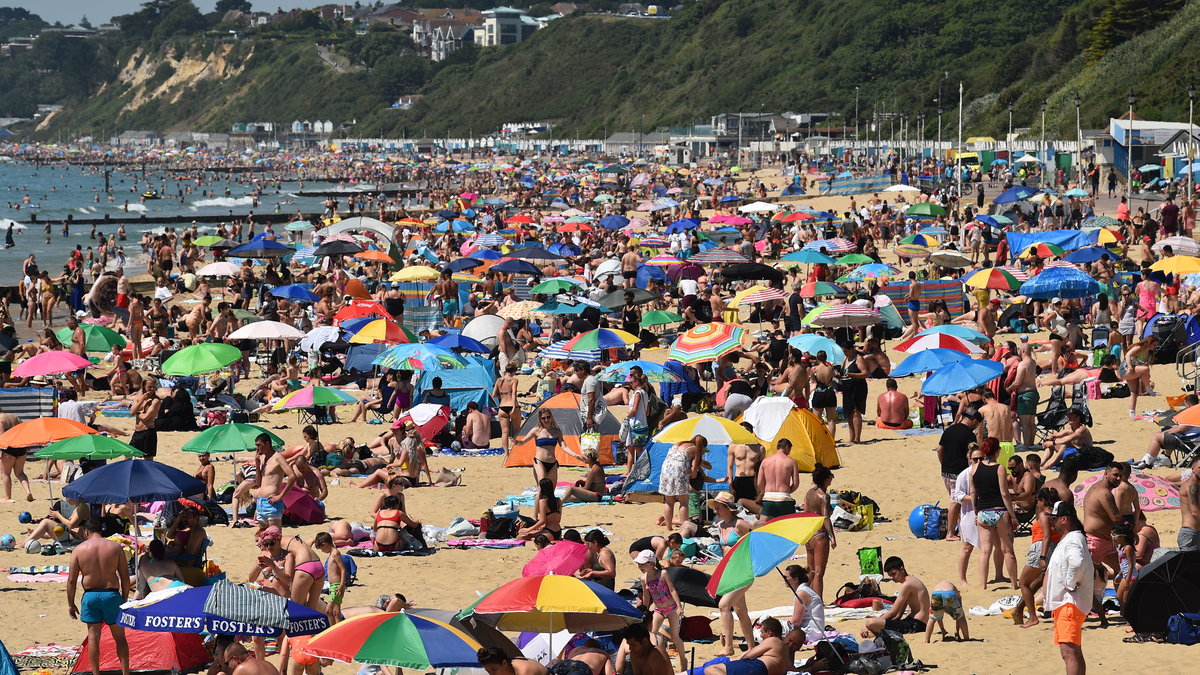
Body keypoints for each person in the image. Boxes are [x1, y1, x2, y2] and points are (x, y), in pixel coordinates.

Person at [68, 518, 131, 675]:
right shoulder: (115, 547)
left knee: (93, 638)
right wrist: (124, 599)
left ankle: (96, 673)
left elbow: (71, 580)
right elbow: (125, 577)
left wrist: (70, 603)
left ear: (86, 532)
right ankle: (125, 673)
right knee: (120, 638)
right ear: (101, 531)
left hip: (90, 595)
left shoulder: (79, 549)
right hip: (111, 594)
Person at [1044, 501, 1092, 675]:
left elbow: (1077, 562)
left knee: (1069, 651)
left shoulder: (1073, 539)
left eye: (1054, 519)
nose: (1051, 522)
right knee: (1073, 650)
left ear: (1064, 519)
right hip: (1066, 604)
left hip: (1069, 604)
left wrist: (1070, 583)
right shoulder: (1072, 538)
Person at [634, 550, 686, 671]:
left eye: (642, 564)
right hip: (659, 609)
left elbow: (672, 590)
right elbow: (646, 596)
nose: (640, 567)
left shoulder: (663, 573)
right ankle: (658, 656)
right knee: (652, 632)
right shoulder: (644, 579)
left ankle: (683, 659)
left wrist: (679, 606)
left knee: (675, 636)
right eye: (639, 564)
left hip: (672, 608)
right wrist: (645, 610)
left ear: (651, 564)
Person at [937, 408, 982, 541]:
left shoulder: (950, 429)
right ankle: (950, 533)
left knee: (956, 500)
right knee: (956, 501)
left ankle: (962, 531)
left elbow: (940, 450)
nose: (976, 426)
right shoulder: (969, 434)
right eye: (977, 423)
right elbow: (973, 455)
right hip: (959, 473)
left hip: (946, 471)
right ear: (974, 420)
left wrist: (944, 464)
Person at [702, 618, 804, 675]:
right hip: (755, 667)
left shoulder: (774, 641)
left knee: (710, 669)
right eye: (790, 640)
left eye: (795, 644)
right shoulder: (785, 653)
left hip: (755, 666)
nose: (790, 644)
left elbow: (747, 656)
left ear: (769, 633)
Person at [861, 556, 930, 638]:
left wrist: (867, 625)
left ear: (902, 569)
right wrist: (890, 622)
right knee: (878, 623)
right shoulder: (911, 581)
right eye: (890, 575)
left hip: (917, 624)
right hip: (915, 622)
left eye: (893, 574)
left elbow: (893, 612)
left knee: (870, 622)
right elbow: (898, 614)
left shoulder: (907, 585)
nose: (892, 578)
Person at [802, 464, 836, 597]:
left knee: (810, 571)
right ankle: (818, 602)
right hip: (820, 535)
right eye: (831, 477)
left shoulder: (809, 493)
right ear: (826, 479)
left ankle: (803, 596)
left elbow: (805, 512)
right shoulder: (824, 496)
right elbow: (825, 518)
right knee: (818, 573)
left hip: (809, 533)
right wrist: (832, 536)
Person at [1082, 463, 1123, 576]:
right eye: (1115, 475)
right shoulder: (1104, 492)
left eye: (1120, 476)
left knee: (1121, 571)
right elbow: (1115, 517)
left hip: (1106, 541)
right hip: (1095, 541)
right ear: (1105, 474)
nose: (1118, 479)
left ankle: (1121, 595)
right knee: (1089, 577)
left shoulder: (1100, 488)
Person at [254, 433, 298, 528]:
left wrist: (280, 496)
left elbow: (292, 476)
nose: (257, 449)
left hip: (272, 503)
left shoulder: (278, 457)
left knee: (275, 537)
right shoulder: (262, 458)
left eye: (259, 445)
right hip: (261, 502)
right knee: (263, 538)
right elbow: (258, 483)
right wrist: (257, 465)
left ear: (267, 444)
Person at [515, 407, 565, 485]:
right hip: (540, 462)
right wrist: (515, 442)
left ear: (551, 417)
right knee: (542, 488)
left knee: (551, 491)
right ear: (540, 419)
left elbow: (564, 446)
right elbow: (522, 442)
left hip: (553, 463)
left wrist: (576, 455)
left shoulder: (556, 431)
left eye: (548, 417)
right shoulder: (536, 431)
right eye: (543, 418)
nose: (546, 420)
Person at [757, 437, 800, 520]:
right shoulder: (791, 462)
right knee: (788, 525)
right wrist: (787, 491)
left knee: (764, 525)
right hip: (784, 498)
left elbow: (759, 482)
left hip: (768, 497)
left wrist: (765, 492)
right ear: (787, 447)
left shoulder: (765, 461)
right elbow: (796, 483)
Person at [725, 424, 762, 515]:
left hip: (753, 480)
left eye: (747, 430)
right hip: (739, 479)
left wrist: (760, 488)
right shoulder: (733, 446)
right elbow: (729, 467)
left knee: (753, 507)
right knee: (738, 508)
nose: (744, 432)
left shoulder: (760, 448)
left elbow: (761, 470)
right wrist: (730, 485)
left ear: (751, 432)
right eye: (742, 430)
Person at [784, 564, 825, 642]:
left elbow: (796, 622)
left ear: (796, 579)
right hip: (816, 631)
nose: (784, 580)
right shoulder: (805, 589)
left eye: (786, 577)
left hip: (811, 633)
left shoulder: (802, 593)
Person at [1008, 343, 1038, 446]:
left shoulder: (1023, 364)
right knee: (1031, 421)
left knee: (1024, 422)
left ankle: (1026, 445)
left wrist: (1009, 388)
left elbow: (1017, 382)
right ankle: (1031, 444)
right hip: (1034, 392)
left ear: (1023, 351)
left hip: (1025, 394)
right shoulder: (1033, 362)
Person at [313, 532, 346, 625]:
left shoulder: (335, 553)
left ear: (325, 544)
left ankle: (332, 629)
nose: (322, 551)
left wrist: (341, 585)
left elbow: (343, 569)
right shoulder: (332, 554)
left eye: (321, 548)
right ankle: (337, 629)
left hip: (337, 585)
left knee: (328, 611)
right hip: (333, 585)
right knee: (336, 612)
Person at [0, 410, 33, 502]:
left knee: (5, 474)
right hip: (21, 447)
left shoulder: (0, 419)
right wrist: (28, 444)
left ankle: (7, 497)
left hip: (9, 449)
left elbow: (2, 437)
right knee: (20, 473)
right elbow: (24, 430)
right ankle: (28, 492)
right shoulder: (14, 417)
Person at [129, 379, 162, 459]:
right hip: (137, 433)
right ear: (144, 386)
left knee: (148, 460)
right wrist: (142, 400)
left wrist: (138, 413)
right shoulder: (139, 397)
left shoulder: (156, 401)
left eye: (154, 387)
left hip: (148, 432)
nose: (152, 389)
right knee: (128, 455)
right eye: (149, 387)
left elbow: (145, 418)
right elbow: (131, 412)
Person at [576, 361, 607, 432]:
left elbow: (591, 399)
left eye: (577, 370)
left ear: (583, 370)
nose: (575, 373)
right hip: (587, 415)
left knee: (589, 440)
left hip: (590, 416)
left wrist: (589, 418)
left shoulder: (590, 381)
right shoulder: (588, 380)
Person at [477, 647, 549, 675]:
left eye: (494, 669)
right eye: (488, 671)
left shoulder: (524, 671)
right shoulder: (510, 664)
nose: (492, 674)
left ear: (504, 663)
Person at [1180, 458, 1200, 550]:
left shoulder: (1191, 484)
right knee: (1190, 563)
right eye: (1199, 468)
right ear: (1193, 468)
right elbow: (1195, 512)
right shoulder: (1193, 486)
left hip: (1191, 533)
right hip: (1191, 533)